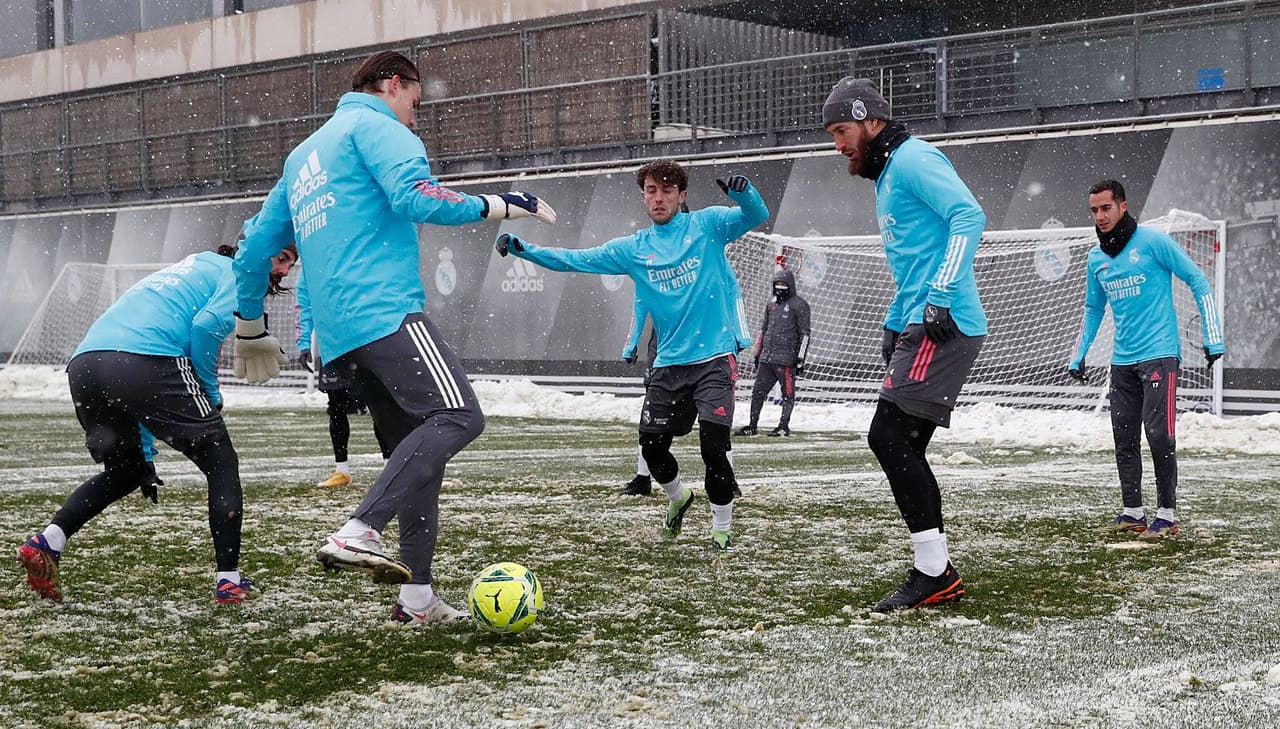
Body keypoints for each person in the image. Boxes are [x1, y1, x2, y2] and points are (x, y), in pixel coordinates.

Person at [230, 50, 556, 627]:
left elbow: (255, 249)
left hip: (340, 339)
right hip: (383, 313)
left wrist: (251, 324)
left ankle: (417, 598)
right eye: (415, 101)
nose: (415, 116)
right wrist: (501, 204)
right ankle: (359, 530)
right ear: (392, 85)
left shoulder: (304, 155)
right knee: (460, 417)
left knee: (418, 459)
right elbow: (415, 196)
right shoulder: (377, 127)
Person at [496, 159, 768, 549]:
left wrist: (745, 193)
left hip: (714, 360)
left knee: (713, 445)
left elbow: (756, 214)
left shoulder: (707, 226)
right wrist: (524, 249)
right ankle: (679, 499)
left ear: (682, 195)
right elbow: (576, 259)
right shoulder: (633, 249)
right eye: (652, 191)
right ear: (643, 197)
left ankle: (721, 530)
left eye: (667, 190)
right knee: (653, 448)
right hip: (669, 364)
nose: (659, 198)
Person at [15, 243, 296, 605]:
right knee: (221, 460)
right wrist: (210, 390)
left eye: (291, 263)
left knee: (127, 472)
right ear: (253, 251)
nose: (285, 271)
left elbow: (137, 373)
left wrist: (145, 455)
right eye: (282, 258)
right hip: (141, 359)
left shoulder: (190, 267)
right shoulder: (239, 274)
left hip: (88, 365)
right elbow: (207, 327)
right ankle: (229, 581)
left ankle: (48, 542)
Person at [823, 77, 986, 611]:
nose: (839, 144)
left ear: (871, 121)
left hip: (943, 322)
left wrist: (937, 297)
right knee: (900, 444)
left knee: (888, 437)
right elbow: (912, 261)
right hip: (921, 320)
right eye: (831, 134)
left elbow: (969, 216)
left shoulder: (915, 160)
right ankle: (934, 569)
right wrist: (894, 319)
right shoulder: (886, 175)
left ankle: (934, 574)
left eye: (843, 130)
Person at [1068, 180, 1225, 540]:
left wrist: (1213, 337)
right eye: (1094, 210)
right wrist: (1079, 355)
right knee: (1123, 437)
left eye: (1106, 208)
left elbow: (1198, 280)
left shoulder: (1153, 242)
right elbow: (1093, 309)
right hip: (1121, 361)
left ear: (1122, 206)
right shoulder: (1096, 258)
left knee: (1158, 434)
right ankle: (1132, 512)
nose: (1100, 216)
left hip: (1160, 355)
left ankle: (1166, 516)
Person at [295, 268, 392, 488]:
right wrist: (303, 344)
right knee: (336, 407)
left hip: (366, 340)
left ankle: (390, 467)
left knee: (378, 405)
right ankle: (342, 471)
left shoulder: (350, 257)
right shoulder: (309, 271)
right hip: (333, 348)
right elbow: (304, 307)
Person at [738, 268, 811, 437]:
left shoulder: (799, 305)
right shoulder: (771, 305)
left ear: (790, 285)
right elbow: (764, 331)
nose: (780, 287)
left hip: (786, 360)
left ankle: (783, 426)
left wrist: (800, 359)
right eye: (777, 284)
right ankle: (752, 425)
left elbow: (805, 334)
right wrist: (758, 354)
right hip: (767, 359)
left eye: (783, 284)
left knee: (788, 394)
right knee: (758, 393)